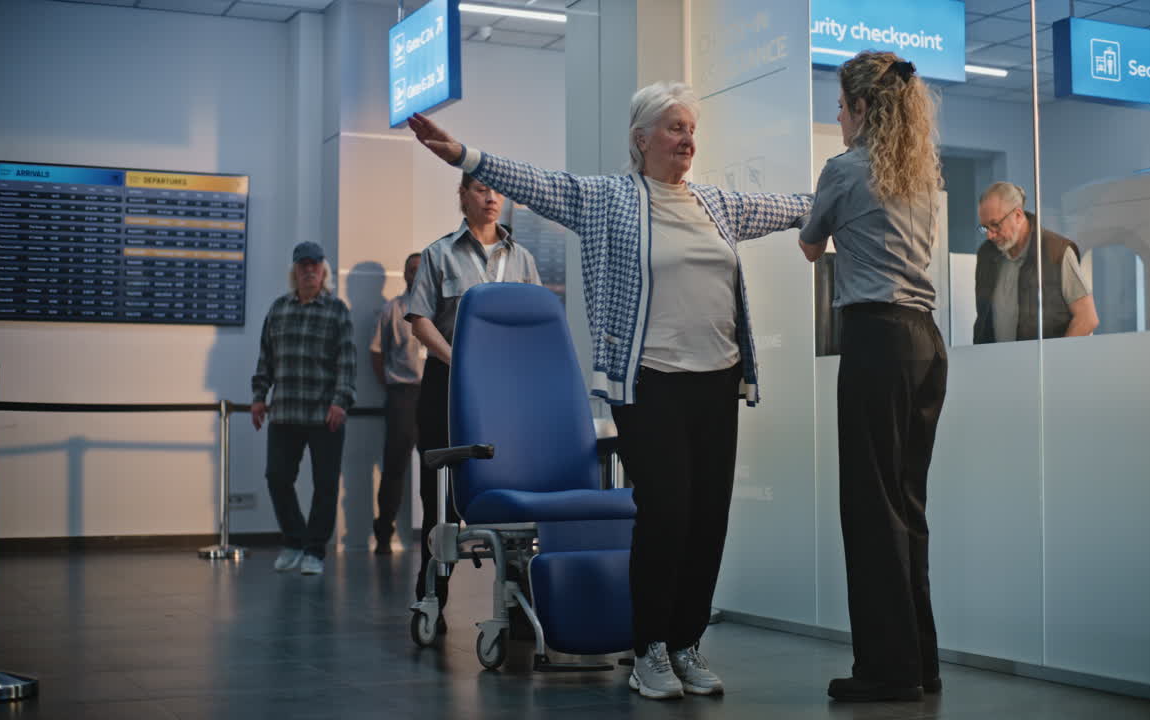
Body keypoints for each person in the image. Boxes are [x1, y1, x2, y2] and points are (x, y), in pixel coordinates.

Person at [407, 80, 811, 700]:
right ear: (641, 139)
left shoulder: (715, 205)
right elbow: (535, 181)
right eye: (674, 127)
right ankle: (648, 648)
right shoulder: (607, 200)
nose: (687, 138)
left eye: (691, 129)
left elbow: (790, 207)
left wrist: (848, 191)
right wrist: (464, 155)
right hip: (649, 383)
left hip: (717, 381)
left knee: (709, 520)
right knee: (668, 514)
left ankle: (685, 645)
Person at [799, 51, 947, 702]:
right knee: (906, 506)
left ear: (861, 109)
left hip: (875, 342)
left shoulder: (844, 168)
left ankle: (887, 671)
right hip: (924, 345)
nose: (836, 118)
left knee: (870, 508)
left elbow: (810, 244)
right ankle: (921, 662)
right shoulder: (921, 176)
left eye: (839, 107)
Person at [404, 174, 542, 627]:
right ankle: (431, 598)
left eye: (497, 190)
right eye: (481, 189)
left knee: (511, 493)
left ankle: (518, 608)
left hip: (505, 392)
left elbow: (536, 323)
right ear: (463, 196)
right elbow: (420, 320)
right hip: (447, 385)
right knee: (439, 497)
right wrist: (460, 361)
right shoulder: (438, 254)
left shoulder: (521, 258)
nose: (492, 197)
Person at [251, 241, 356, 577]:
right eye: (303, 265)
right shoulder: (278, 309)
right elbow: (265, 357)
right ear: (294, 271)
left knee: (325, 484)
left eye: (315, 264)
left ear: (323, 270)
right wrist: (258, 396)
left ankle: (314, 550)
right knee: (277, 477)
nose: (309, 270)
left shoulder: (337, 310)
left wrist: (341, 401)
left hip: (325, 414)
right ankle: (294, 541)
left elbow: (347, 362)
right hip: (285, 412)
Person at [973, 182, 1098, 343]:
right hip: (997, 364)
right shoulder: (987, 254)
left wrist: (1055, 362)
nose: (990, 235)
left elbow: (1087, 318)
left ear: (1018, 215)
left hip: (1042, 366)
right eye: (985, 228)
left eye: (995, 225)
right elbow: (983, 320)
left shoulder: (1056, 252)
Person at [369, 252, 425, 555]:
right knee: (394, 467)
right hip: (402, 395)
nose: (415, 274)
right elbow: (377, 352)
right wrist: (389, 385)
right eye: (410, 270)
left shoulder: (439, 307)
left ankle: (436, 531)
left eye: (419, 269)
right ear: (404, 275)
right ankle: (384, 533)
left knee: (435, 466)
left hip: (432, 396)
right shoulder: (393, 308)